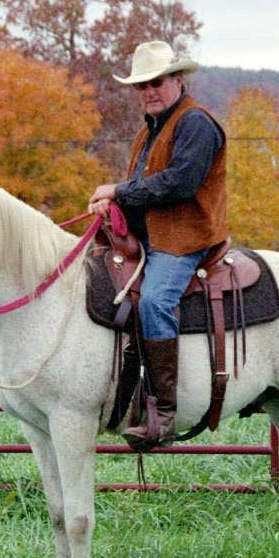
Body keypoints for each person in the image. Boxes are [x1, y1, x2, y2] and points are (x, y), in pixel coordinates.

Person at [88, 40, 228, 450]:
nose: (149, 91)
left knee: (154, 301)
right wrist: (111, 202)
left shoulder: (195, 124)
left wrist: (117, 189)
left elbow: (179, 183)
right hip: (152, 236)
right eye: (141, 85)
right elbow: (142, 189)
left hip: (186, 238)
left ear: (178, 80)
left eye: (157, 81)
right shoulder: (150, 130)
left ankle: (162, 412)